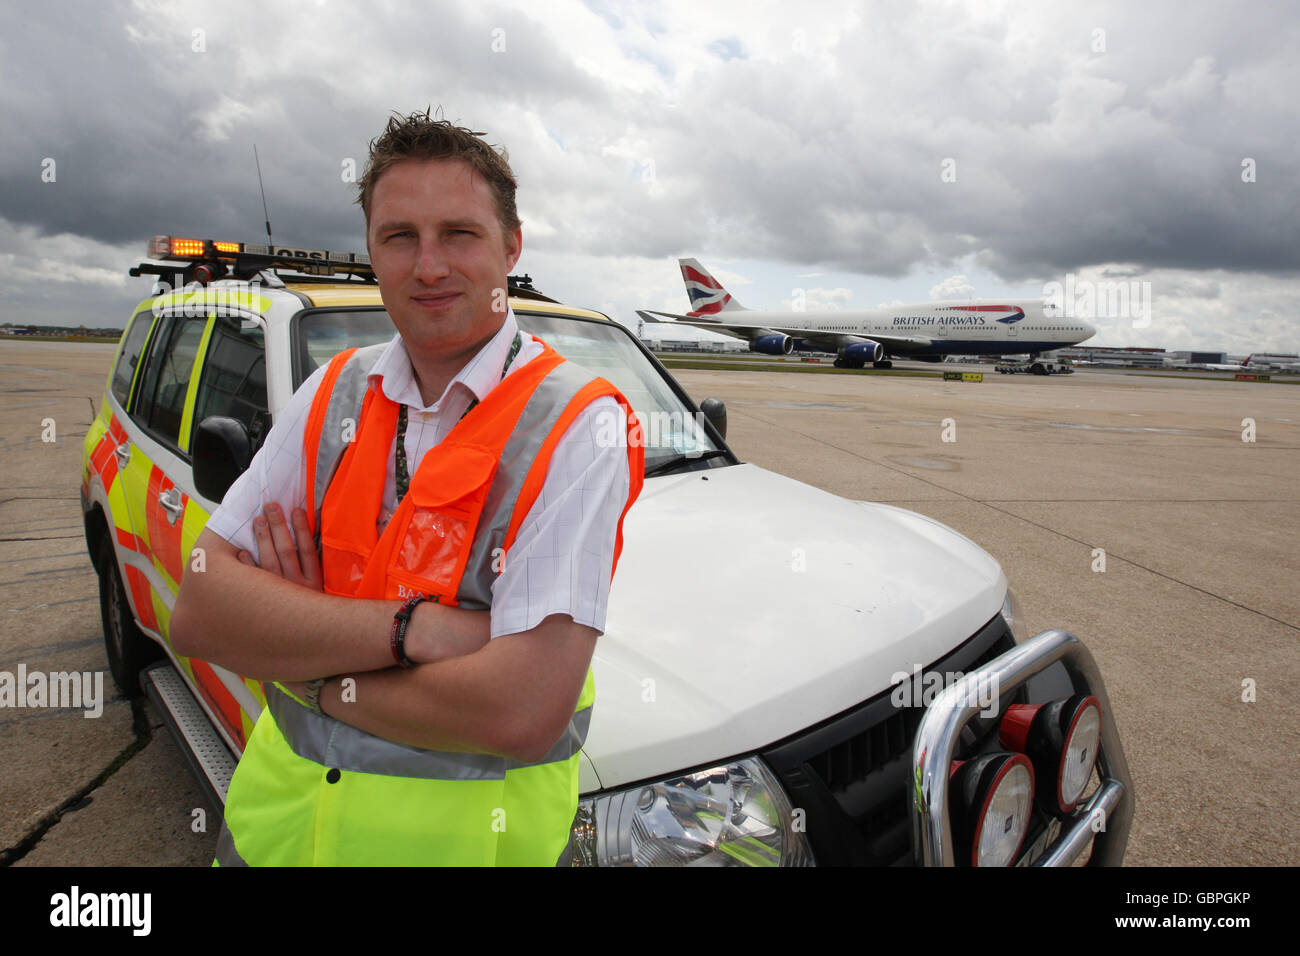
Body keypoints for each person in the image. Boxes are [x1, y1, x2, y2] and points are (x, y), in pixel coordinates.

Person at [170, 110, 644, 866]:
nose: (428, 267)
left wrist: (301, 665)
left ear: (511, 246)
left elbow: (521, 708)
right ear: (372, 250)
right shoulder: (332, 391)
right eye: (399, 237)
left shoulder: (577, 424)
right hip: (274, 840)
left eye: (458, 233)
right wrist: (410, 632)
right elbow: (197, 611)